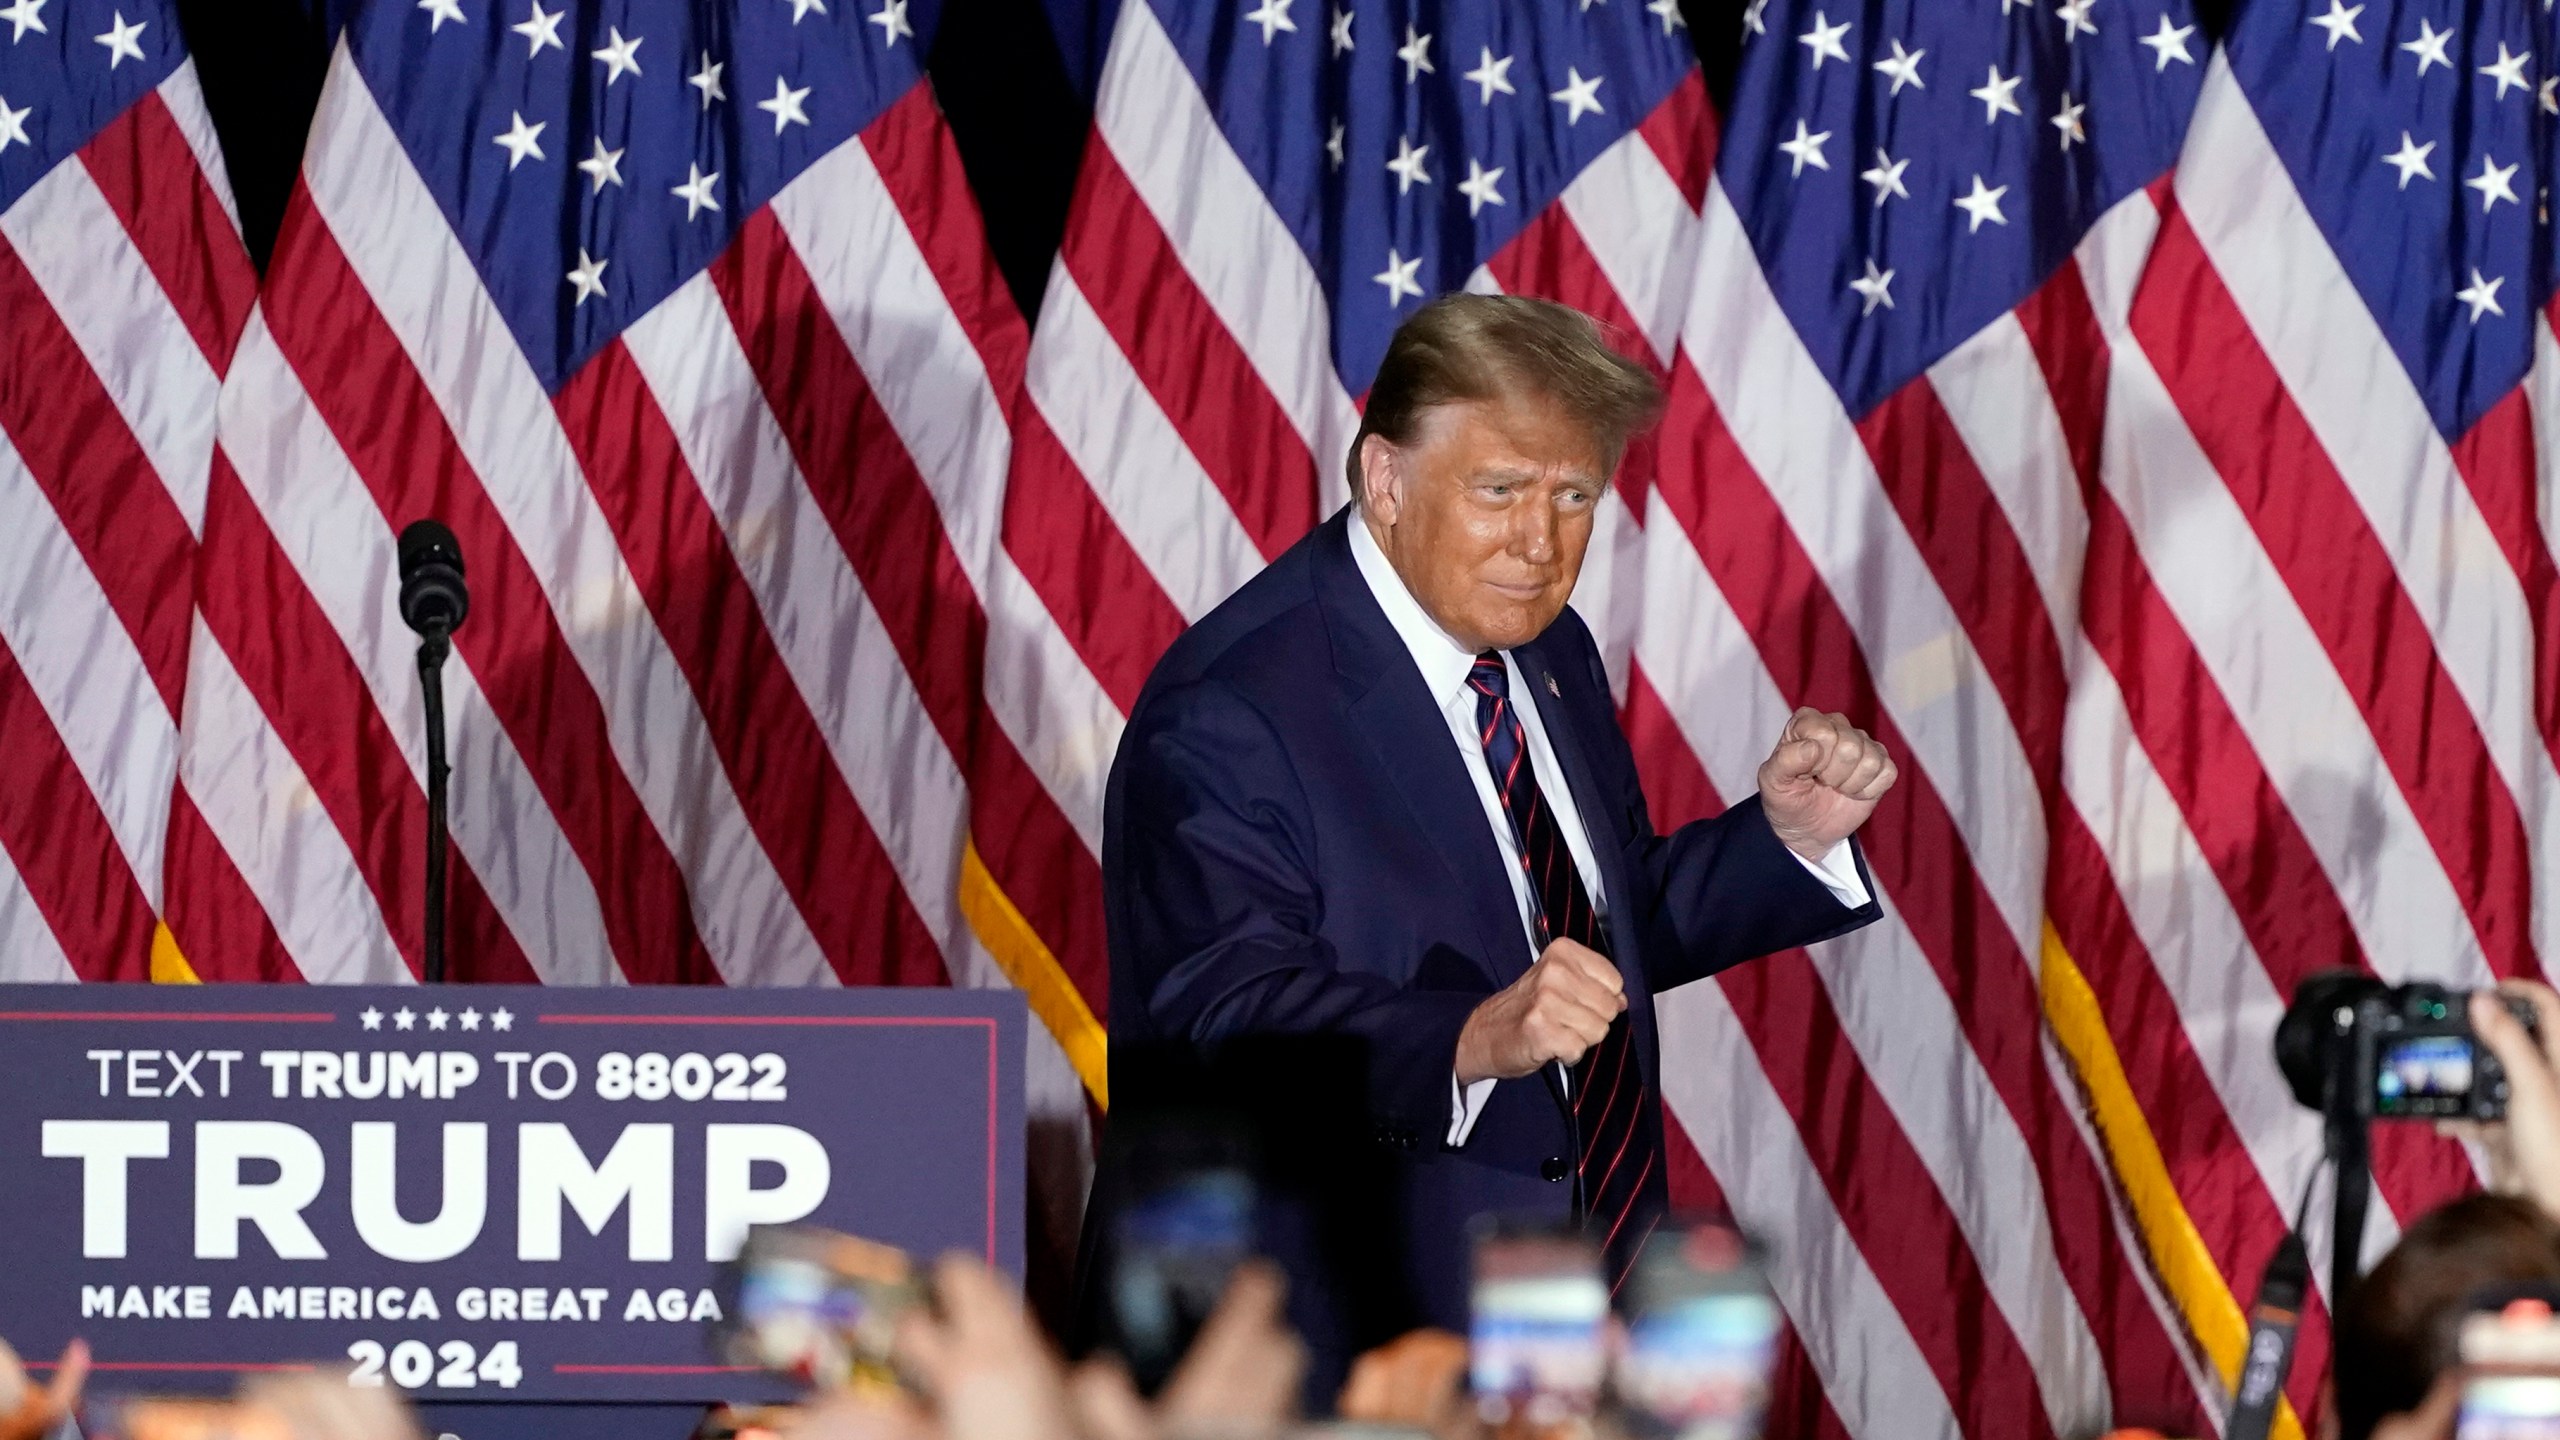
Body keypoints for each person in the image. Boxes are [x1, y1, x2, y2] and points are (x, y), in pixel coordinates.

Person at [1092, 295, 1891, 1375]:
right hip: (1328, 1336)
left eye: (1574, 496)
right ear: (1385, 481)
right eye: (1500, 489)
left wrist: (1781, 841)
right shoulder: (1233, 707)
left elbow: (1585, 934)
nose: (1540, 540)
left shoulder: (1545, 650)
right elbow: (1222, 1029)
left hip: (1561, 1306)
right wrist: (1472, 1037)